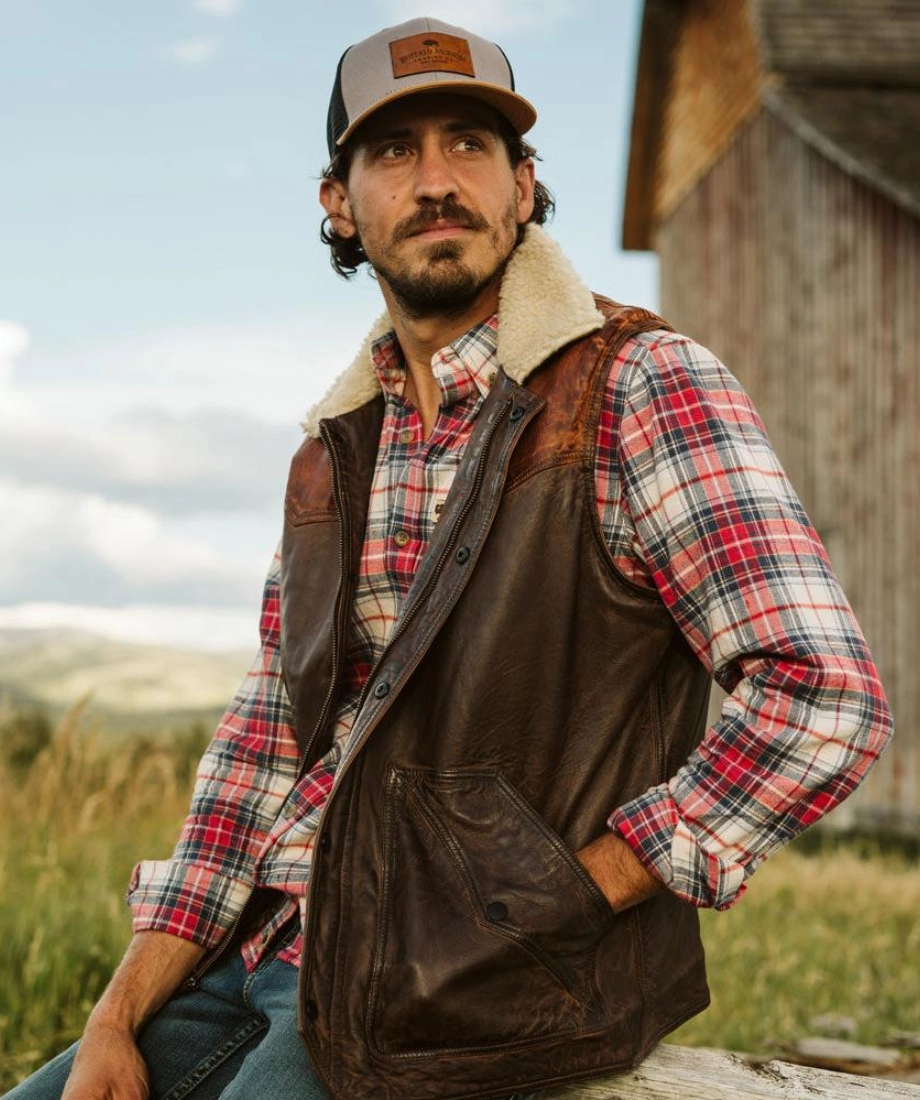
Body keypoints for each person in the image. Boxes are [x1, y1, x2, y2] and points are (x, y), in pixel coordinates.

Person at [6, 16, 892, 1100]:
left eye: (470, 144)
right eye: (393, 151)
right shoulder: (330, 454)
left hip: (456, 998)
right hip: (258, 954)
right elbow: (260, 756)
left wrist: (564, 892)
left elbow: (822, 695)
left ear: (523, 184)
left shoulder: (636, 387)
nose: (437, 180)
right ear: (338, 202)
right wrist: (117, 1013)